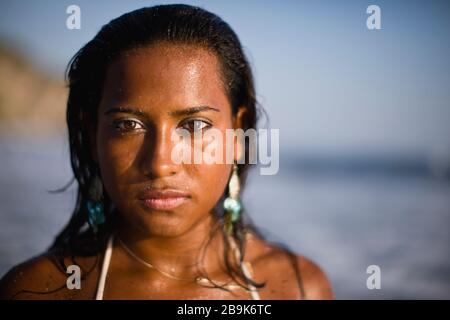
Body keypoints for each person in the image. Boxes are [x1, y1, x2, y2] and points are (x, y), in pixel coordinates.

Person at [0, 4, 333, 300]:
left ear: (237, 132)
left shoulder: (298, 288)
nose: (160, 163)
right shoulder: (39, 290)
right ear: (92, 135)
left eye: (195, 125)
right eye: (127, 125)